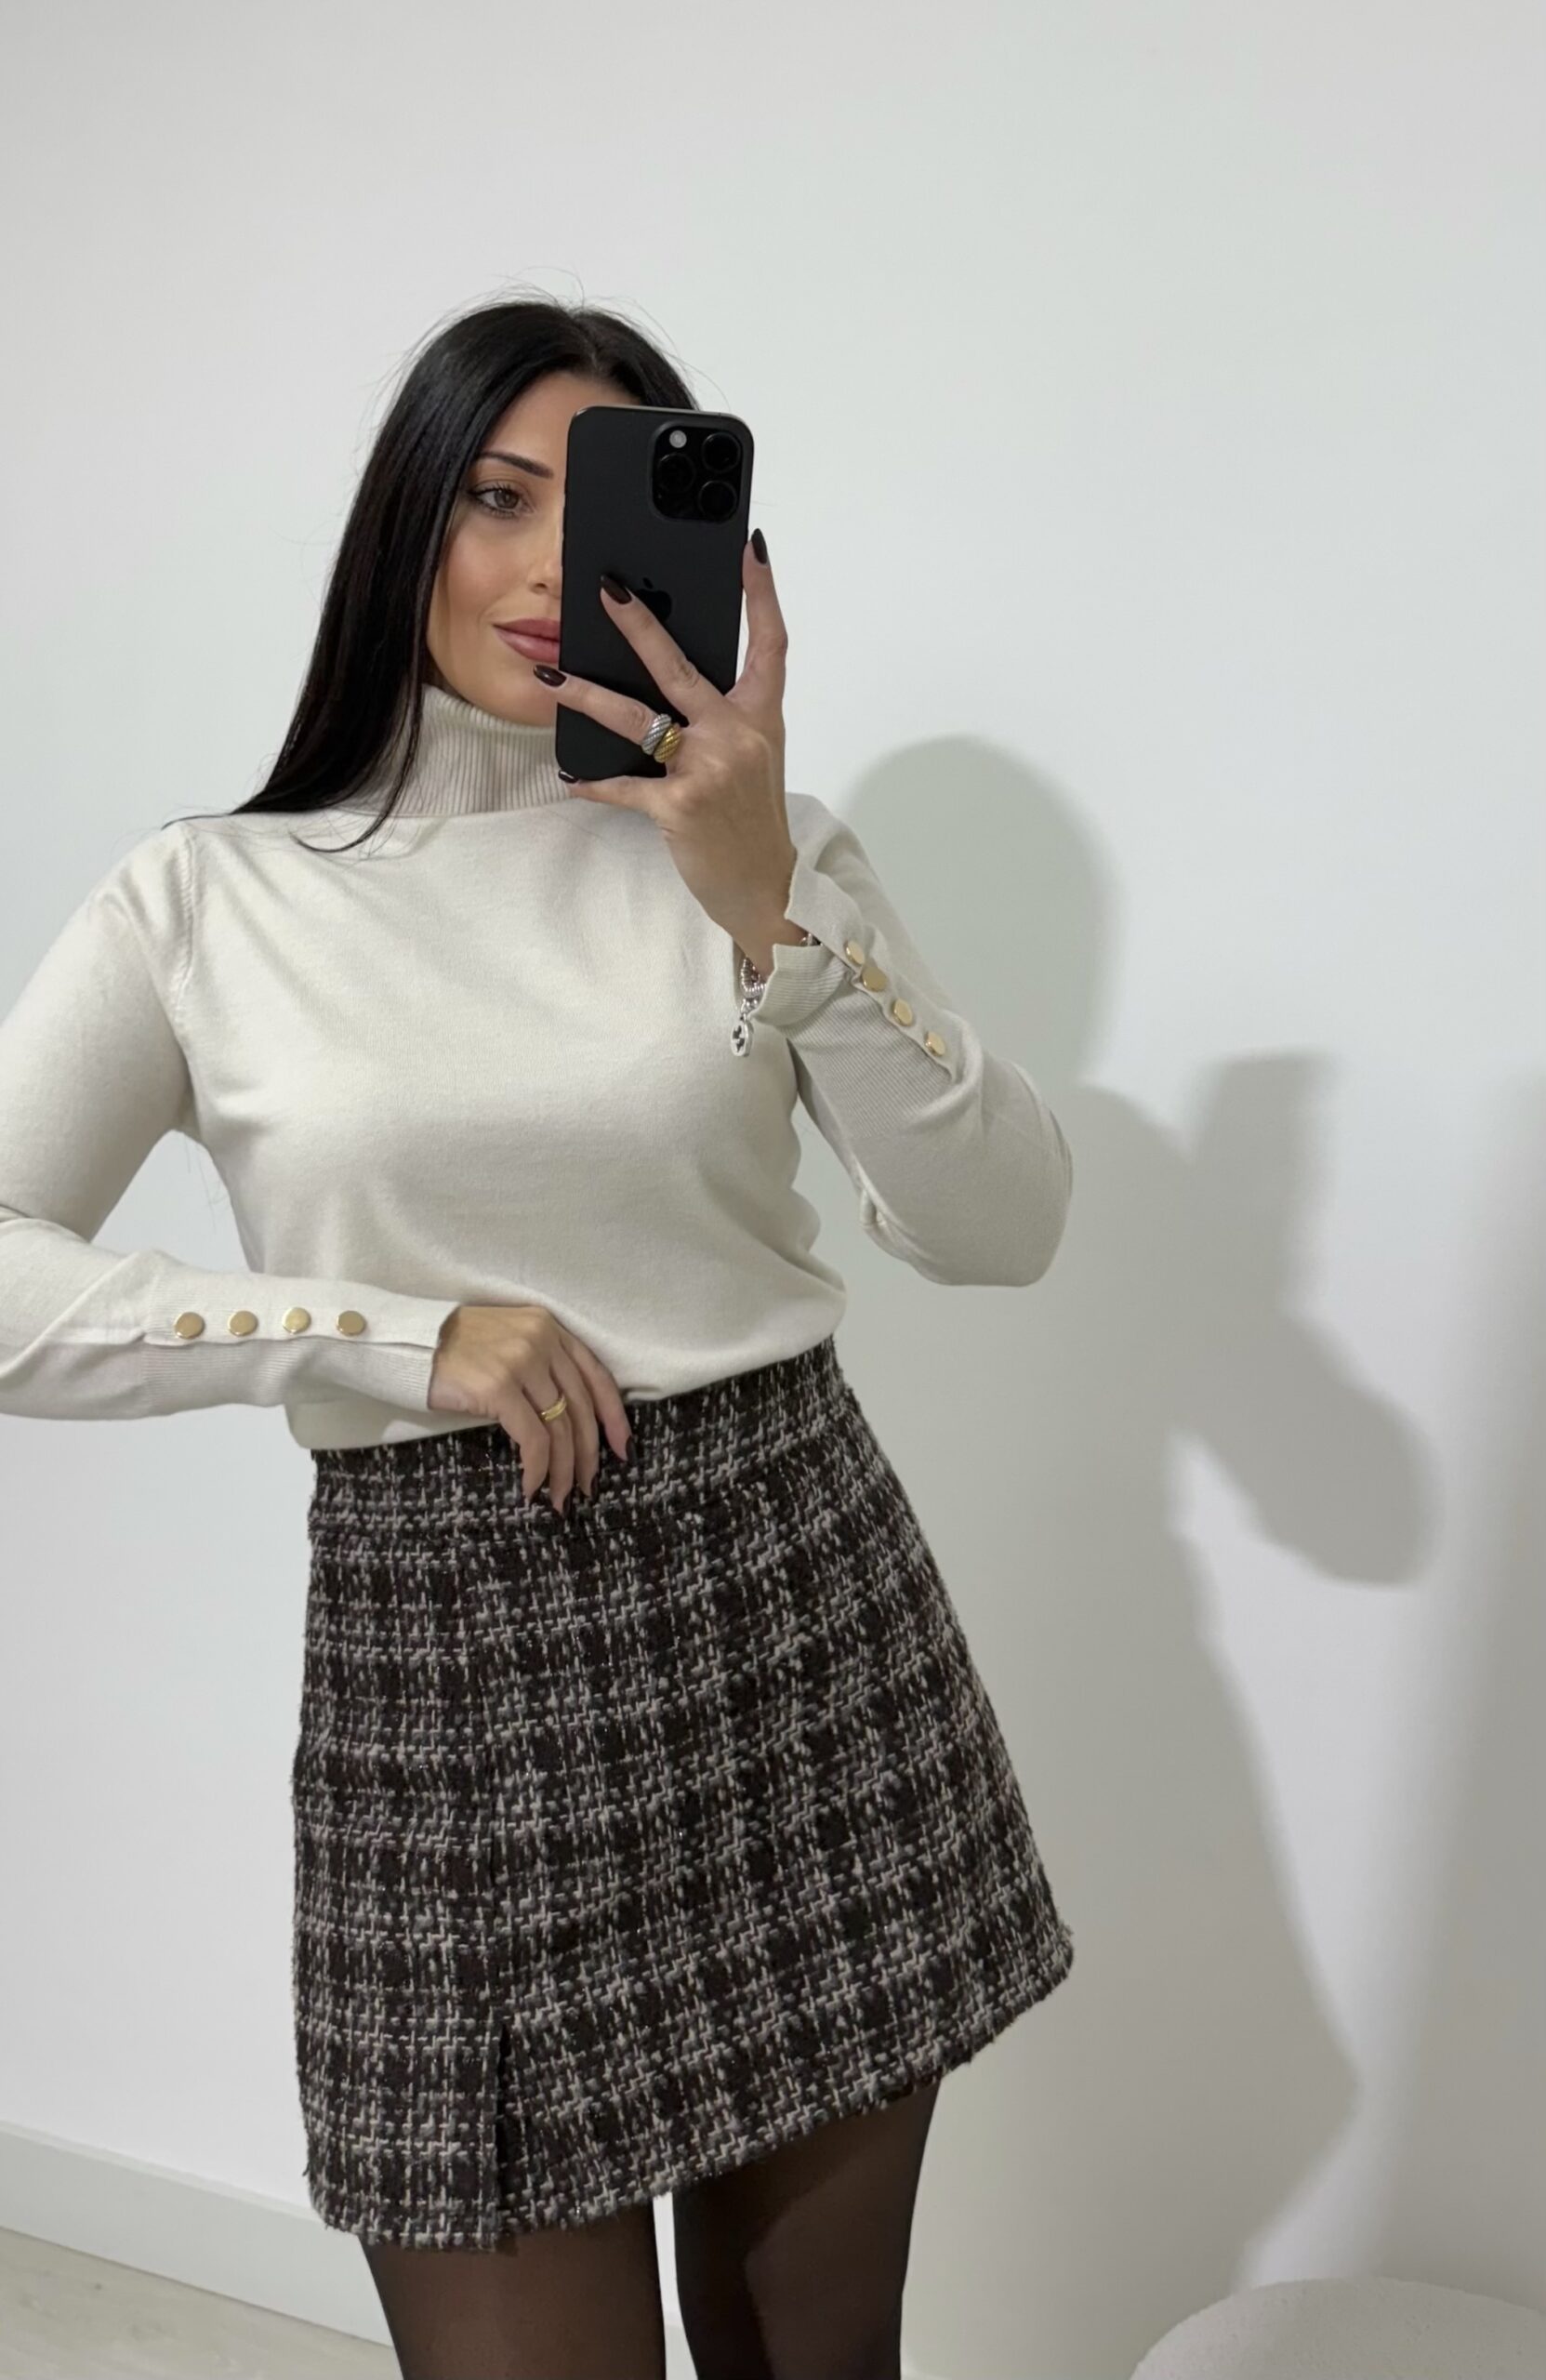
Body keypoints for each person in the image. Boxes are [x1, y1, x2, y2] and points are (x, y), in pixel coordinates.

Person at [0, 297, 1077, 2380]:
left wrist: (768, 904)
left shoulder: (758, 855)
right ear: (404, 518)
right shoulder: (210, 899)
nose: (540, 568)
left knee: (817, 2357)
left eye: (597, 515)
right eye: (495, 497)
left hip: (797, 1612)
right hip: (455, 1674)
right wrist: (388, 1335)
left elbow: (1001, 1221)